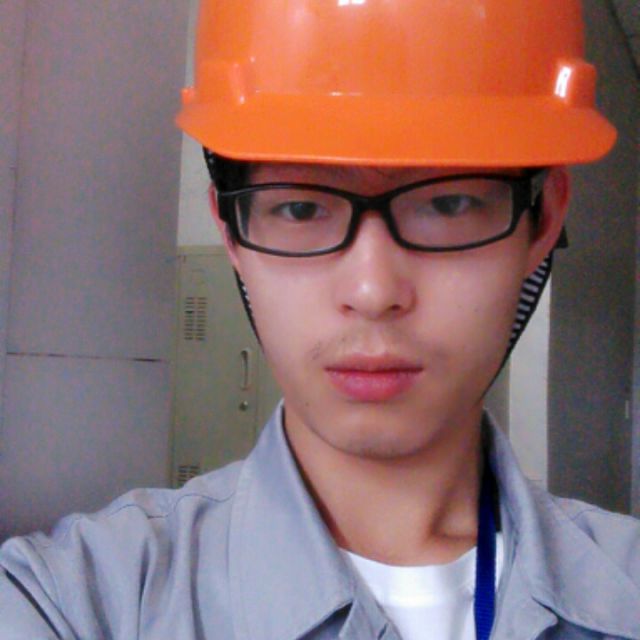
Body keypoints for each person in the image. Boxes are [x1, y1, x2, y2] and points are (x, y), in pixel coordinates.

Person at [1, 0, 638, 638]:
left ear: (544, 219)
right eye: (301, 209)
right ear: (230, 229)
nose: (373, 291)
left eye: (448, 204)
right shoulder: (76, 601)